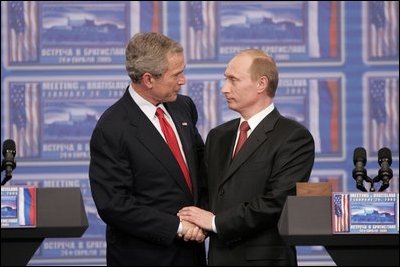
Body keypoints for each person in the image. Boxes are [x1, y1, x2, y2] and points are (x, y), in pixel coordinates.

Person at [178, 49, 315, 266]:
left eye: (233, 80)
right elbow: (208, 192)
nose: (224, 89)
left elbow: (277, 201)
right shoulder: (218, 136)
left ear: (261, 84)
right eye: (225, 80)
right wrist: (196, 222)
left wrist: (215, 222)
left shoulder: (293, 137)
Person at [89, 32, 206, 266]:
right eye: (176, 74)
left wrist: (204, 219)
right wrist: (179, 227)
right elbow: (114, 204)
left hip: (192, 252)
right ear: (148, 79)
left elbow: (200, 170)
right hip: (145, 255)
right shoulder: (112, 127)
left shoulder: (183, 107)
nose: (183, 81)